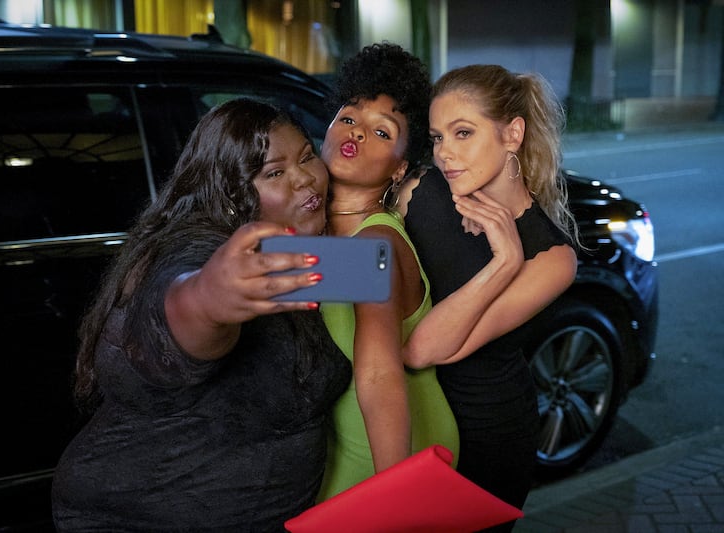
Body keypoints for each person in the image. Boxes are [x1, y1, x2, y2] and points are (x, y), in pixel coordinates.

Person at [51, 98, 352, 532]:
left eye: (307, 157)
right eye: (274, 172)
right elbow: (174, 308)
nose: (305, 177)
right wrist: (208, 299)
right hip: (136, 520)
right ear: (231, 193)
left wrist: (397, 196)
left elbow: (380, 275)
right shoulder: (198, 250)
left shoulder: (291, 256)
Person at [398, 64, 579, 531]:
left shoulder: (552, 257)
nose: (445, 153)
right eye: (438, 138)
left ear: (512, 134)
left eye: (463, 133)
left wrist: (506, 259)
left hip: (488, 434)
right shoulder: (420, 192)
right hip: (412, 416)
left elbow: (423, 349)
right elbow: (362, 266)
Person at [316, 43, 460, 501]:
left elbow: (378, 373)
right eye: (348, 117)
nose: (357, 132)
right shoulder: (320, 236)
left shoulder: (376, 241)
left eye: (382, 132)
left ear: (400, 168)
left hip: (385, 449)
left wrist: (393, 495)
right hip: (344, 438)